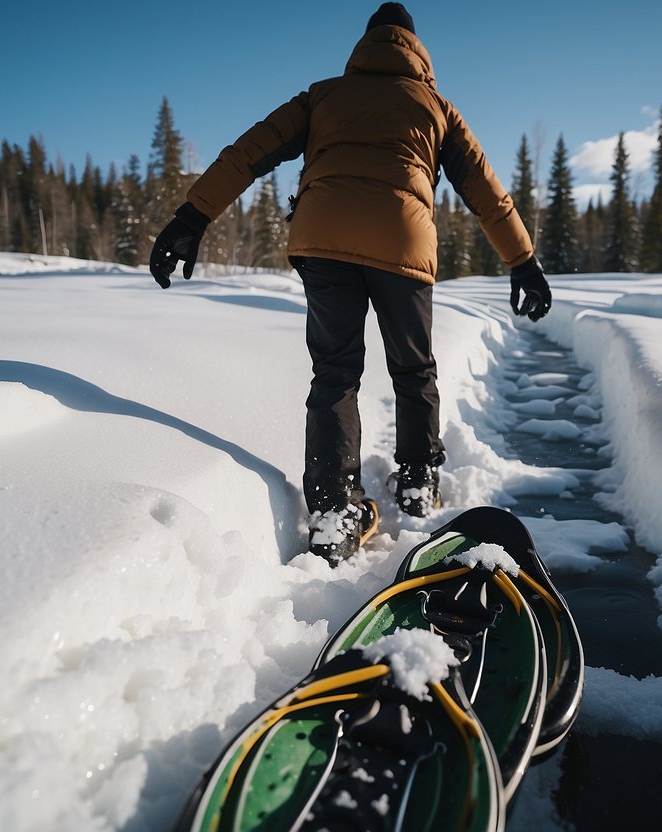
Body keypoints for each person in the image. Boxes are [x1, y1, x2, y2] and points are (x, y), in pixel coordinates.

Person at [149, 3, 552, 565]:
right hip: (403, 245)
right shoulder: (436, 107)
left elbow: (248, 152)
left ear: (364, 48)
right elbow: (485, 190)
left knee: (335, 371)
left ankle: (335, 512)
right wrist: (523, 259)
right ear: (417, 50)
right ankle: (416, 483)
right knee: (414, 369)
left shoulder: (322, 96)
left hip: (324, 238)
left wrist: (192, 217)